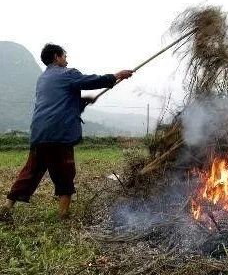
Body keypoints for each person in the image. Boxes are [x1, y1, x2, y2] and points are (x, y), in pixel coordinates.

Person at [0, 43, 133, 221]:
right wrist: (116, 76)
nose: (67, 60)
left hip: (40, 134)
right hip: (58, 135)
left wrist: (81, 102)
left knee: (30, 171)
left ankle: (7, 207)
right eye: (64, 56)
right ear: (56, 57)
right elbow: (90, 81)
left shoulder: (43, 79)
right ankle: (63, 214)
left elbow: (57, 104)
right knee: (65, 173)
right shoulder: (67, 74)